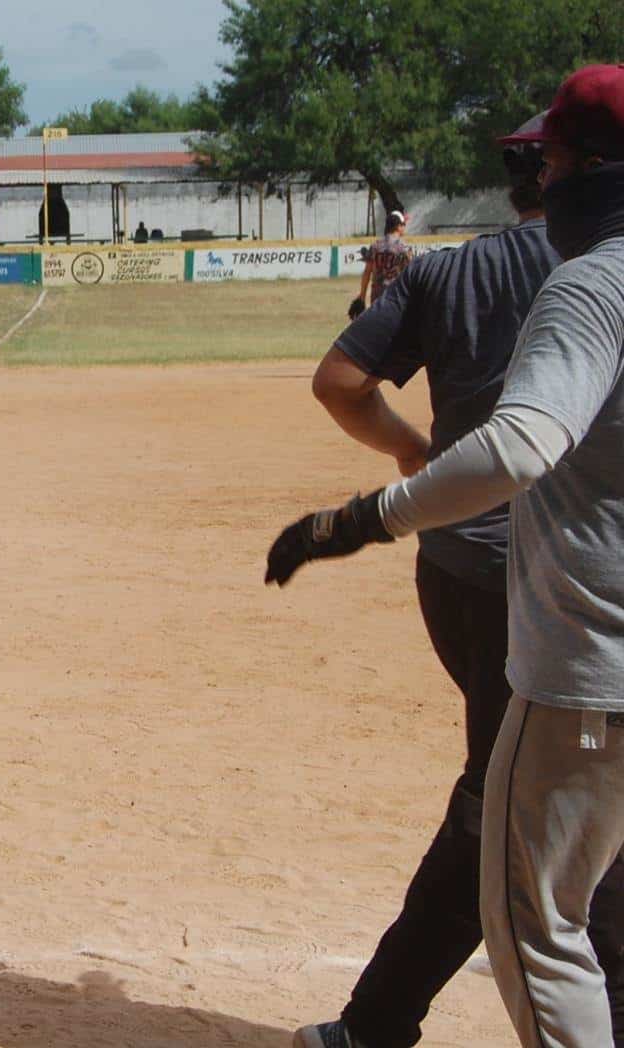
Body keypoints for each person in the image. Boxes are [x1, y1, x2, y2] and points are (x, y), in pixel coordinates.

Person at [266, 64, 624, 1048]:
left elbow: (503, 442)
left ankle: (374, 1022)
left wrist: (369, 510)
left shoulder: (564, 280)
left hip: (545, 614)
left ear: (569, 170)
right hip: (553, 608)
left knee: (527, 874)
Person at [351, 211, 413, 315]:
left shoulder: (375, 246)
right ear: (398, 226)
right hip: (396, 296)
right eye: (403, 225)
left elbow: (367, 273)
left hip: (377, 296)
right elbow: (410, 275)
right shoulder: (404, 248)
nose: (404, 227)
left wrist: (362, 296)